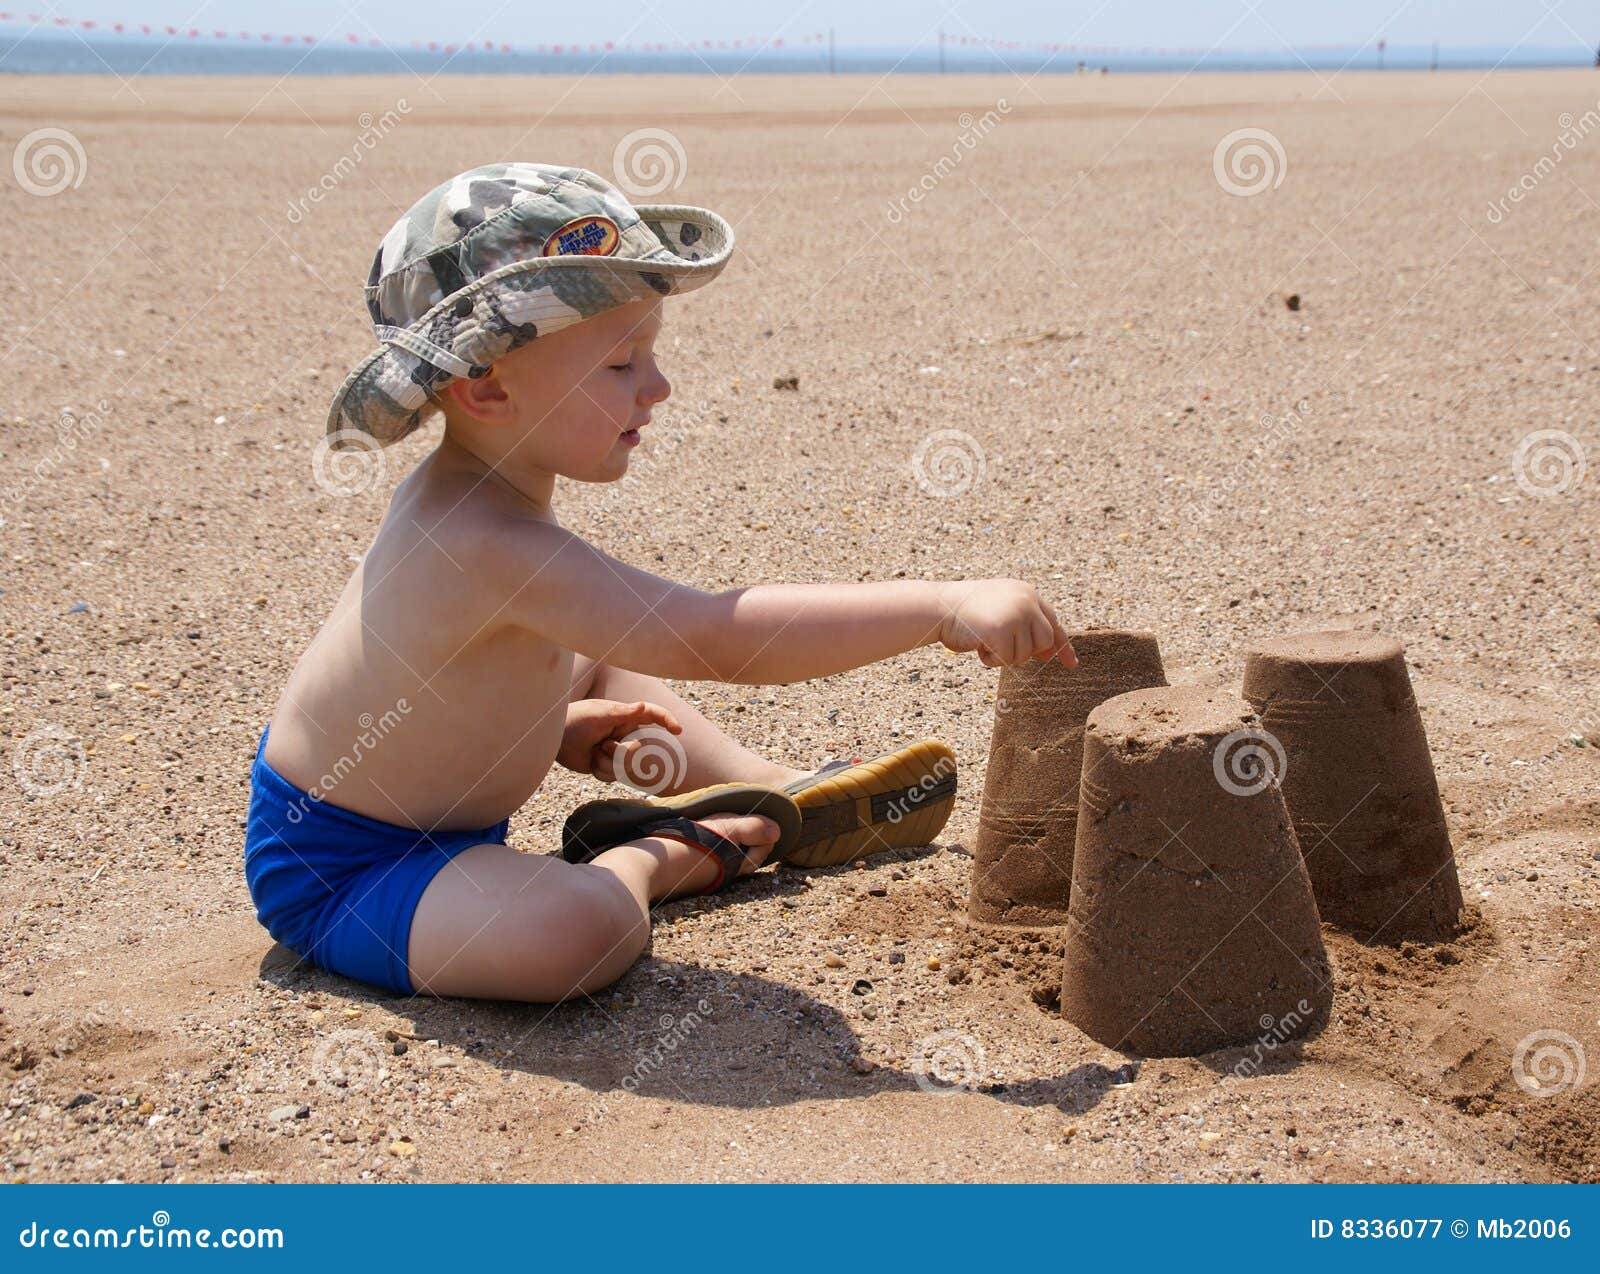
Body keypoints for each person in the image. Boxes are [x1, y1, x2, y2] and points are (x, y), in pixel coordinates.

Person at [244, 162, 1076, 1004]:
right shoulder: (483, 540)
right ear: (487, 384)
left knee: (590, 654)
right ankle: (657, 852)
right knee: (580, 935)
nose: (659, 386)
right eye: (619, 364)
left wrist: (549, 725)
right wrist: (943, 605)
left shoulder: (481, 503)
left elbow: (441, 683)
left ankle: (778, 784)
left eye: (651, 353)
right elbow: (714, 636)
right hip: (349, 868)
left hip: (440, 812)